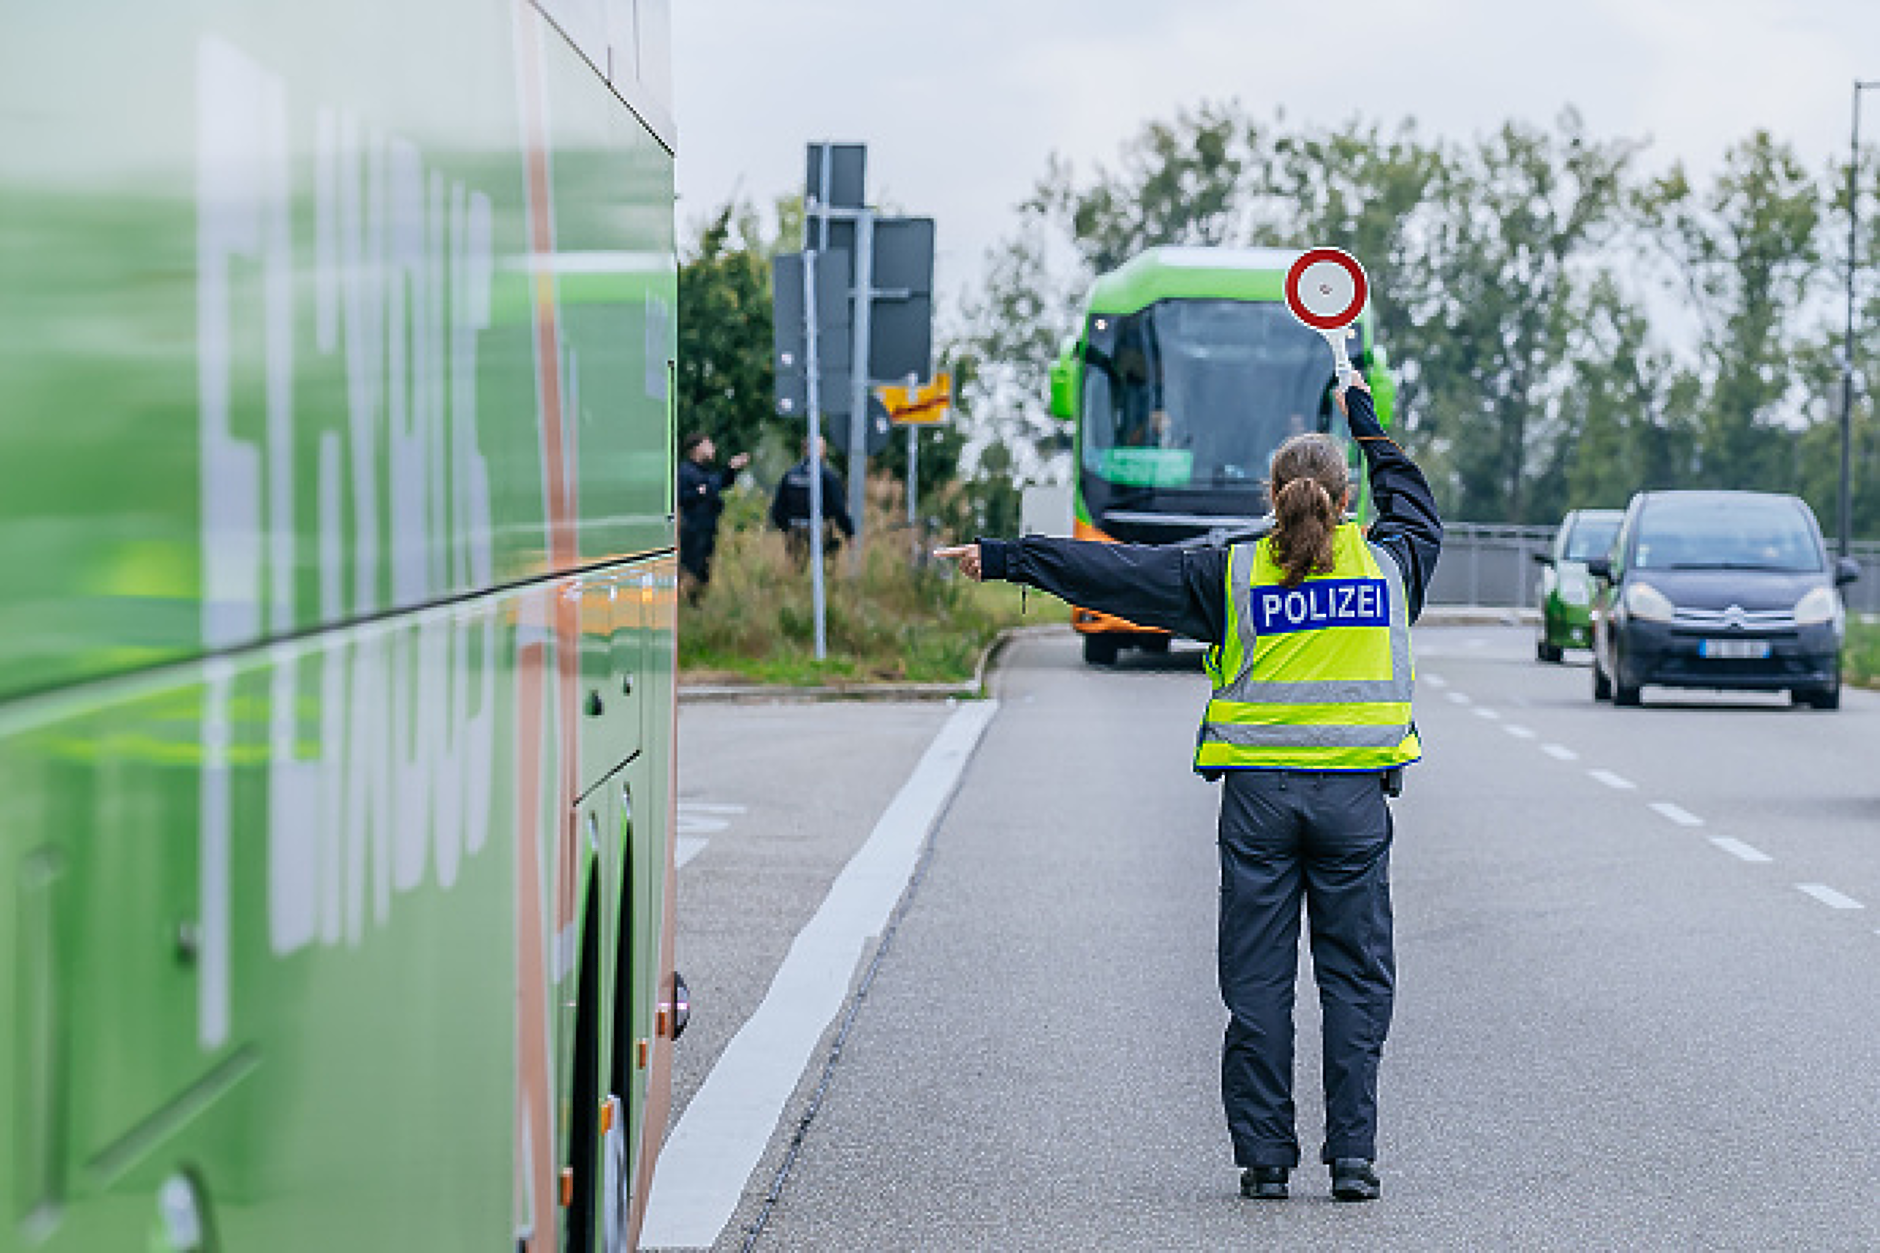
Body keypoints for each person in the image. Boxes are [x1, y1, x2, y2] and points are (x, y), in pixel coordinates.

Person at [935, 377, 1440, 1204]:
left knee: (1257, 983)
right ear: (1347, 501)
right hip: (1355, 807)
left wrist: (1006, 557)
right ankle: (1353, 1158)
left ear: (1272, 499)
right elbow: (1417, 508)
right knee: (1355, 982)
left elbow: (1115, 573)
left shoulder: (1228, 574)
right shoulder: (1393, 565)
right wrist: (1365, 420)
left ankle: (1266, 1161)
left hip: (1259, 807)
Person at [677, 433, 749, 601]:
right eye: (708, 445)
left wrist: (732, 468)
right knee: (691, 572)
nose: (713, 449)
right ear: (697, 448)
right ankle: (687, 604)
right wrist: (699, 492)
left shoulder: (704, 472)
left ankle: (697, 605)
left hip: (707, 531)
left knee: (704, 572)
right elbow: (682, 497)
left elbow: (719, 482)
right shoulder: (686, 472)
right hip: (693, 532)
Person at [769, 435, 855, 559]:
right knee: (824, 571)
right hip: (821, 531)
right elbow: (839, 508)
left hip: (795, 530)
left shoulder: (790, 475)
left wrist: (787, 530)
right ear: (822, 451)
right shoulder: (828, 476)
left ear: (804, 450)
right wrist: (849, 533)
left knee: (795, 573)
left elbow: (777, 509)